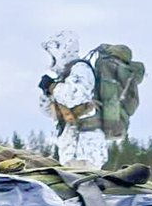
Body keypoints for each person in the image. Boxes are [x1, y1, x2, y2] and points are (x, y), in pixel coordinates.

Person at [37, 29, 109, 168]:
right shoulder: (63, 76)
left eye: (53, 53)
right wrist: (45, 93)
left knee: (85, 186)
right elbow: (48, 112)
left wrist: (52, 86)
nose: (51, 58)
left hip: (86, 148)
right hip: (71, 147)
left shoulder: (81, 69)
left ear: (62, 50)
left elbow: (73, 97)